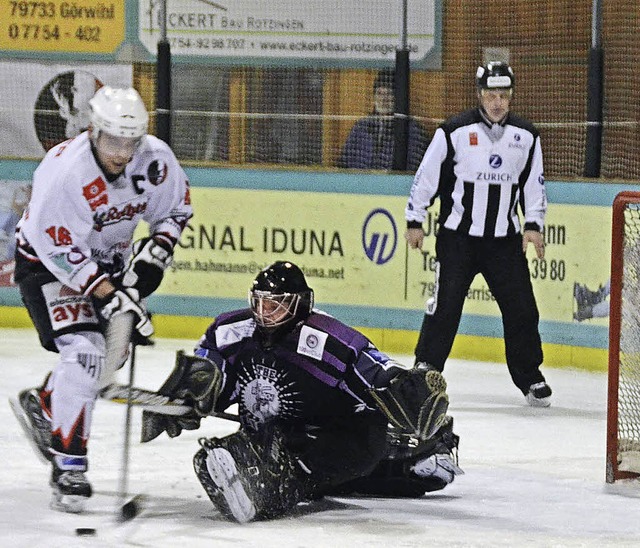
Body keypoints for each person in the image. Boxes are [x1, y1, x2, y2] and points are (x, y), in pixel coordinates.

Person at [141, 261, 462, 523]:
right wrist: (189, 396)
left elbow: (376, 369)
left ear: (301, 305)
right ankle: (257, 478)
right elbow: (212, 373)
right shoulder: (229, 332)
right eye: (261, 302)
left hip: (344, 436)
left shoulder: (327, 339)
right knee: (226, 455)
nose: (265, 313)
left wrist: (403, 386)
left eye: (276, 305)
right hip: (278, 435)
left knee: (340, 459)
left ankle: (265, 495)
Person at [10, 86, 193, 513]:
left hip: (109, 263)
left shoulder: (155, 160)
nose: (123, 152)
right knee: (86, 353)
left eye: (132, 141)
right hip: (47, 265)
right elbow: (57, 248)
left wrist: (146, 271)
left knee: (107, 360)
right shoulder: (64, 173)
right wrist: (112, 297)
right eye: (113, 140)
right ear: (93, 131)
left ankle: (48, 403)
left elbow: (175, 211)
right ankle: (69, 467)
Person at [404, 61, 552, 407]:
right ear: (480, 95)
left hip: (503, 242)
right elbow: (426, 177)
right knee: (445, 305)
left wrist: (533, 226)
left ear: (511, 97)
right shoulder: (454, 131)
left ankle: (530, 377)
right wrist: (415, 219)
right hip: (458, 239)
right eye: (491, 94)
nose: (497, 102)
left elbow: (534, 184)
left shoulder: (526, 136)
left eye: (503, 95)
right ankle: (427, 369)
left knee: (523, 310)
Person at [337, 71, 428, 171]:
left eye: (389, 94)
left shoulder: (412, 129)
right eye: (379, 93)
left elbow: (415, 166)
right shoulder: (361, 126)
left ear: (398, 97)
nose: (383, 99)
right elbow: (343, 163)